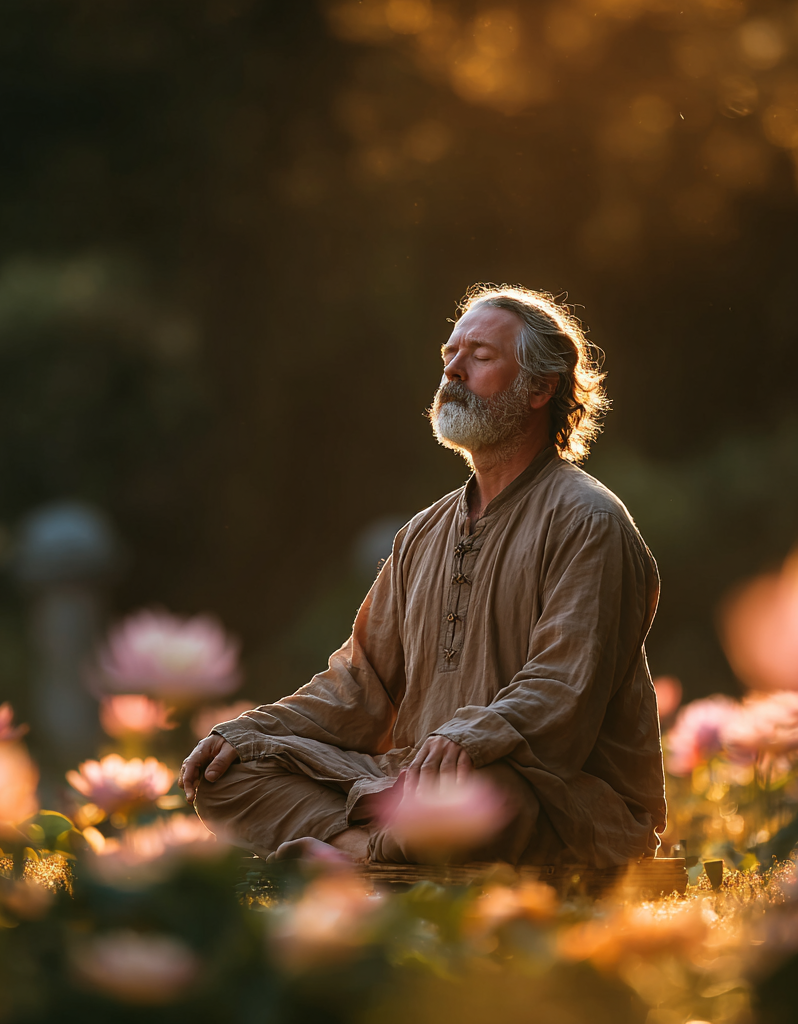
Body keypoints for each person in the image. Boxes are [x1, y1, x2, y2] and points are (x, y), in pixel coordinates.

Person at [180, 284, 665, 868]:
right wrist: (248, 731)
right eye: (449, 355)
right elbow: (358, 685)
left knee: (483, 797)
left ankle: (354, 852)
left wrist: (471, 737)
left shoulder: (588, 520)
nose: (453, 370)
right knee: (230, 776)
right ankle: (376, 851)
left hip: (553, 794)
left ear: (541, 388)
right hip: (413, 782)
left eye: (480, 356)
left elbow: (564, 684)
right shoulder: (421, 534)